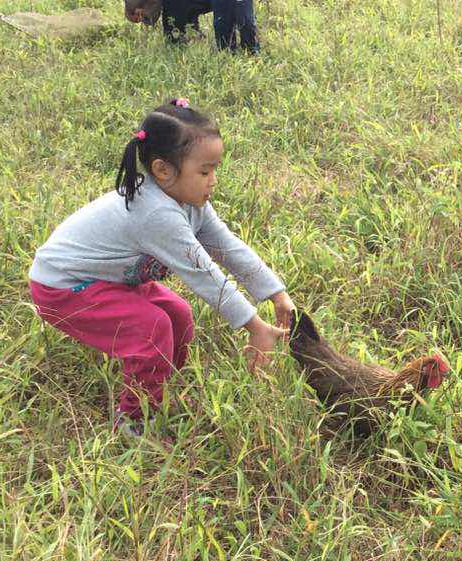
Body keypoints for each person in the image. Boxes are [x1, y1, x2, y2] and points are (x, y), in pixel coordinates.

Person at [28, 99, 292, 438]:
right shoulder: (156, 214)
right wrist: (255, 326)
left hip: (110, 280)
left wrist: (275, 293)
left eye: (216, 169)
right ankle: (134, 420)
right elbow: (204, 274)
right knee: (150, 329)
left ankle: (158, 389)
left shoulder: (189, 202)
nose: (213, 181)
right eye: (204, 171)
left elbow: (226, 246)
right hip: (65, 285)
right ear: (163, 170)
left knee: (178, 315)